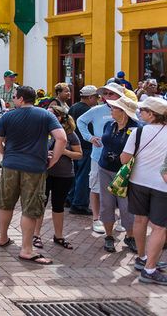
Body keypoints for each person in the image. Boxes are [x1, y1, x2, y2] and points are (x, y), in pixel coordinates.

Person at [0, 85, 67, 265]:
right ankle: (26, 249)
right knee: (30, 208)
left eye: (15, 97)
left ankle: (3, 237)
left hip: (11, 165)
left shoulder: (8, 116)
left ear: (20, 98)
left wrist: (6, 154)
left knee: (6, 202)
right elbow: (62, 138)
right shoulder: (46, 115)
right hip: (35, 167)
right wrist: (54, 159)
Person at [122, 96, 167, 284]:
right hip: (161, 185)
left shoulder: (138, 132)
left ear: (152, 114)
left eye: (143, 110)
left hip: (137, 181)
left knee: (140, 220)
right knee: (159, 227)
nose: (140, 113)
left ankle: (142, 258)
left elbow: (124, 159)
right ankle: (150, 268)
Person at [32, 104, 83, 251]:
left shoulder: (69, 134)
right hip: (45, 173)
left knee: (58, 205)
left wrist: (63, 152)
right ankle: (36, 235)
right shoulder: (43, 131)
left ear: (59, 117)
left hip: (64, 175)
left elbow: (79, 155)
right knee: (41, 204)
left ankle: (59, 236)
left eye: (50, 114)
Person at [77, 82, 124, 234]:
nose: (108, 97)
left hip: (122, 158)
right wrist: (89, 137)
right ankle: (96, 219)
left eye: (111, 94)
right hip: (99, 156)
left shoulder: (127, 110)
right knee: (96, 187)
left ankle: (122, 218)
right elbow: (80, 121)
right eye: (105, 94)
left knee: (121, 188)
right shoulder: (96, 110)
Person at [98, 95, 141, 253]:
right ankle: (109, 236)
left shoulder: (137, 129)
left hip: (124, 173)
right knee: (106, 204)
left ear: (123, 112)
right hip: (104, 169)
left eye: (114, 108)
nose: (111, 110)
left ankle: (130, 236)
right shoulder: (109, 125)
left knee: (126, 206)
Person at [67, 85, 100, 216]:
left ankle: (71, 198)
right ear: (90, 97)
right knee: (83, 176)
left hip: (75, 144)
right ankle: (79, 203)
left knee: (76, 174)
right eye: (96, 97)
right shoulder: (87, 110)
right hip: (85, 146)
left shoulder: (74, 107)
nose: (97, 100)